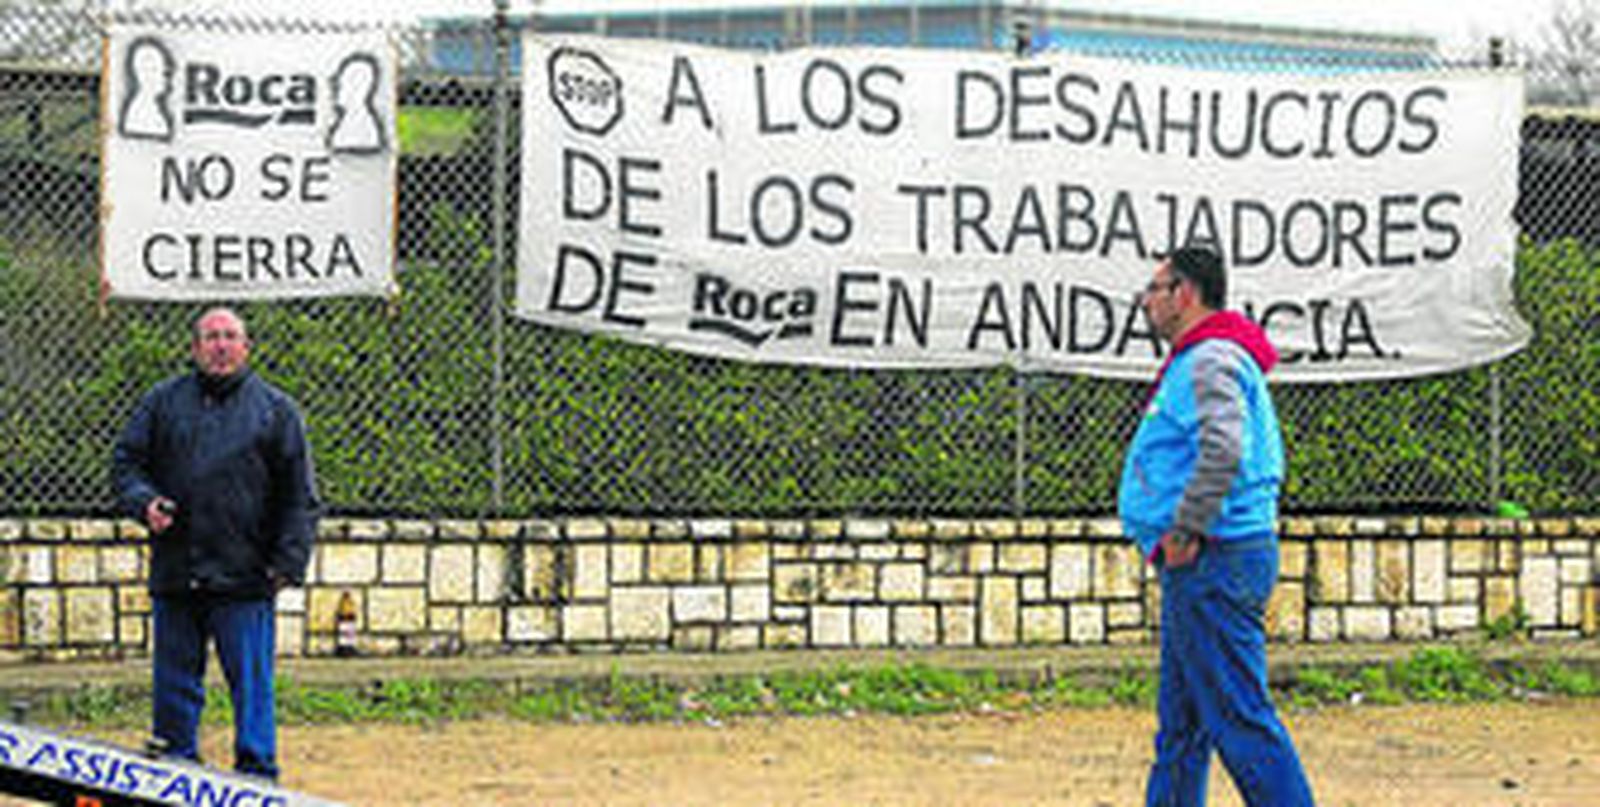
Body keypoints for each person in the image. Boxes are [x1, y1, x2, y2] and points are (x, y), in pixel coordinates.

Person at [1117, 246, 1315, 806]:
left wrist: (1186, 530)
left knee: (1238, 719)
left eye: (1154, 289)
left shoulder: (1210, 360)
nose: (1147, 302)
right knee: (1182, 727)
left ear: (1184, 293)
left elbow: (1224, 448)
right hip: (1206, 563)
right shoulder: (1202, 357)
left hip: (1213, 560)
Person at [114, 307, 319, 781]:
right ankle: (173, 771)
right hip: (176, 573)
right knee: (174, 689)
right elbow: (126, 464)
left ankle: (257, 776)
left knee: (251, 688)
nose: (221, 345)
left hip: (245, 578)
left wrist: (287, 562)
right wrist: (144, 502)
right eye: (211, 337)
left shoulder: (277, 411)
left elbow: (300, 497)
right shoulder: (161, 403)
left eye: (230, 337)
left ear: (246, 348)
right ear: (195, 348)